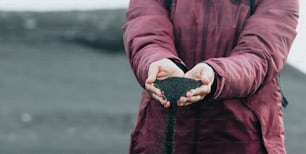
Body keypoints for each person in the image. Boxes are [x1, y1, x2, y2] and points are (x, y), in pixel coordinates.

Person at [123, 0, 299, 153]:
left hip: (242, 136)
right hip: (162, 131)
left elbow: (261, 54)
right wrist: (158, 60)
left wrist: (216, 74)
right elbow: (146, 31)